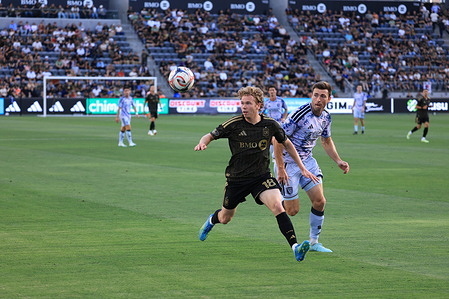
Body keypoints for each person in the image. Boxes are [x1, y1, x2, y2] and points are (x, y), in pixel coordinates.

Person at [194, 86, 320, 262]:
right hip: (236, 179)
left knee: (277, 206)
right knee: (225, 217)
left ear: (259, 105)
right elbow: (209, 135)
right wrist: (202, 143)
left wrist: (302, 167)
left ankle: (295, 247)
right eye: (242, 103)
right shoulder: (234, 124)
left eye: (248, 103)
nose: (244, 107)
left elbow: (287, 144)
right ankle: (211, 221)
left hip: (261, 177)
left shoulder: (270, 125)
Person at [274, 81, 350, 253]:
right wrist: (280, 168)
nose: (318, 99)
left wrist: (338, 161)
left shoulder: (326, 117)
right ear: (311, 96)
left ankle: (314, 242)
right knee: (292, 211)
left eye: (322, 96)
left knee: (320, 201)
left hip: (308, 161)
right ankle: (272, 197)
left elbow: (326, 140)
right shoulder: (299, 115)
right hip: (288, 162)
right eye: (315, 95)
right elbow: (277, 139)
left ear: (329, 99)